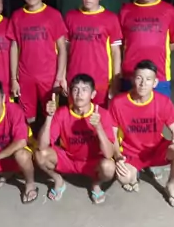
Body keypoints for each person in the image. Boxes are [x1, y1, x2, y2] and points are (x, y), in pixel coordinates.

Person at [109, 60, 174, 207]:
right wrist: (118, 156)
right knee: (124, 178)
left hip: (156, 149)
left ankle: (171, 186)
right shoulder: (118, 102)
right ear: (133, 79)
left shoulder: (163, 102)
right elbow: (112, 135)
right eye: (139, 78)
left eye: (148, 79)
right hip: (130, 152)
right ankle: (134, 174)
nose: (143, 84)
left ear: (155, 82)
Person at [34, 74, 116, 204]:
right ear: (70, 93)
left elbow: (109, 154)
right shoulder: (62, 112)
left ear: (93, 94)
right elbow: (42, 146)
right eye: (75, 89)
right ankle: (58, 181)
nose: (79, 94)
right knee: (40, 155)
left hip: (92, 162)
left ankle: (96, 184)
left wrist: (98, 127)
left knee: (109, 167)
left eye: (84, 89)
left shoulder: (102, 114)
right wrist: (49, 117)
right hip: (68, 159)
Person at [7, 0, 67, 124]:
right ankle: (28, 138)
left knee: (50, 114)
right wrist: (14, 79)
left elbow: (62, 49)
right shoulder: (17, 16)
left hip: (49, 76)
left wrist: (59, 78)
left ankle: (49, 139)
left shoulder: (53, 15)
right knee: (27, 117)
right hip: (25, 76)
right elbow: (14, 47)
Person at [120, 0, 174, 98]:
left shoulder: (169, 11)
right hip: (130, 76)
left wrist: (158, 49)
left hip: (160, 77)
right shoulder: (125, 11)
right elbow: (119, 44)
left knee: (159, 111)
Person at [65, 0, 122, 107]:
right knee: (75, 114)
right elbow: (65, 50)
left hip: (101, 80)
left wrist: (116, 80)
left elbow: (115, 53)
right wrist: (63, 76)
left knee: (99, 115)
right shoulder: (70, 16)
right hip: (75, 80)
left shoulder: (111, 18)